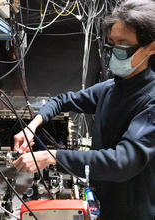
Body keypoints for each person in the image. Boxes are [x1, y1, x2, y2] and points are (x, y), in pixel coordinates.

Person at [12, 0, 155, 219]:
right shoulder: (111, 88)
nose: (113, 53)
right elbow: (62, 100)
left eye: (123, 46)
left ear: (151, 47)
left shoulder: (150, 100)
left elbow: (122, 162)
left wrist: (53, 157)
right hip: (107, 206)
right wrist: (32, 126)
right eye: (111, 44)